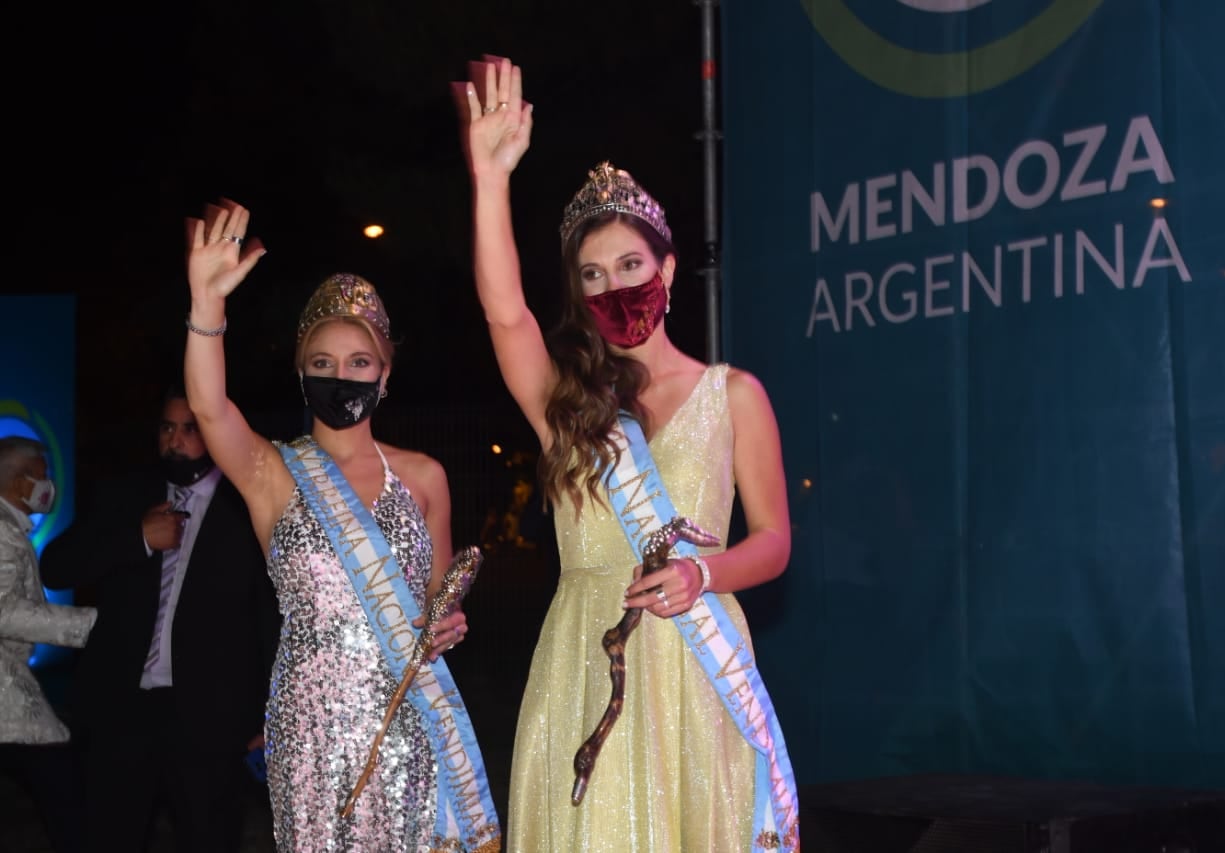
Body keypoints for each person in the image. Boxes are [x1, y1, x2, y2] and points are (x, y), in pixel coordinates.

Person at [457, 57, 802, 851]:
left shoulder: (734, 395)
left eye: (631, 266)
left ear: (669, 269)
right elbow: (503, 312)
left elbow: (775, 541)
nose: (615, 288)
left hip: (694, 658)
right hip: (584, 651)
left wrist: (700, 574)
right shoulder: (567, 406)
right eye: (592, 275)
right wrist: (490, 177)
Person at [181, 203, 501, 852]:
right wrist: (206, 304)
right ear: (301, 372)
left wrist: (450, 616)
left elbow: (440, 594)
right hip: (311, 723)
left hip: (409, 716)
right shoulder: (272, 471)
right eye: (322, 362)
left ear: (385, 377)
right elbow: (209, 408)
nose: (340, 375)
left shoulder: (425, 476)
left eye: (360, 362)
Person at [40, 387, 279, 853]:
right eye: (167, 428)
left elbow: (269, 616)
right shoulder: (125, 495)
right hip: (122, 709)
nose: (176, 441)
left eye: (190, 429)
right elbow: (57, 566)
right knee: (111, 835)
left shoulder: (248, 507)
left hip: (210, 718)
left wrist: (269, 710)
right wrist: (137, 539)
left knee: (208, 836)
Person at [0, 436, 96, 853]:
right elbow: (3, 611)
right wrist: (90, 624)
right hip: (8, 695)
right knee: (61, 789)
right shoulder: (2, 532)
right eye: (42, 475)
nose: (49, 485)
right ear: (18, 482)